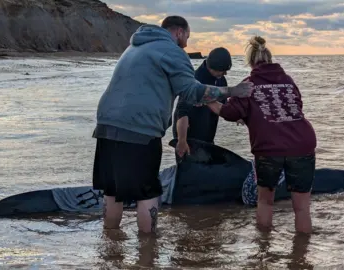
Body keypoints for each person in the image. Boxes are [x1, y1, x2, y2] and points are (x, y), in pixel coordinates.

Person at [91, 15, 253, 234]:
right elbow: (192, 92)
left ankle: (111, 248)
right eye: (188, 35)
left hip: (106, 125)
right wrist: (232, 91)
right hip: (139, 129)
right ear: (179, 32)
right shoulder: (173, 51)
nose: (188, 39)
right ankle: (148, 254)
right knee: (147, 192)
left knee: (112, 190)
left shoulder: (135, 47)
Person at [205, 36, 317, 234]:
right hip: (303, 143)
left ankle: (263, 255)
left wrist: (206, 100)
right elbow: (294, 108)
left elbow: (230, 112)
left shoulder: (250, 83)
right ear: (271, 59)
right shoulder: (288, 81)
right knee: (301, 208)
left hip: (269, 148)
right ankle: (301, 258)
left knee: (265, 202)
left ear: (250, 62)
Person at [173, 47, 232, 157]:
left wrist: (238, 114)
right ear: (212, 67)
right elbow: (181, 113)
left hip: (208, 139)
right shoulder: (195, 80)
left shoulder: (220, 79)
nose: (225, 74)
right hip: (188, 139)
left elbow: (223, 106)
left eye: (226, 71)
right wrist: (181, 140)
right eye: (223, 70)